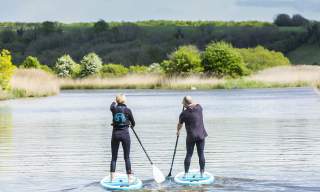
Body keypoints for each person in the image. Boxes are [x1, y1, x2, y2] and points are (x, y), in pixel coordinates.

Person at [177, 96, 208, 177]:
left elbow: (179, 124)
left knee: (189, 154)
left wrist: (178, 131)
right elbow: (196, 103)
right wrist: (188, 104)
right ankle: (202, 173)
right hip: (201, 135)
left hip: (191, 137)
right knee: (201, 154)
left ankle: (186, 173)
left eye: (183, 103)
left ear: (185, 104)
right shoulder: (199, 108)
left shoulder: (183, 114)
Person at [109, 94, 135, 183]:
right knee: (127, 157)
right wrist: (130, 124)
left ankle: (112, 178)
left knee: (114, 157)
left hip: (115, 135)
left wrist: (114, 101)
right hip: (125, 135)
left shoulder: (113, 108)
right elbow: (133, 123)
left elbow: (111, 106)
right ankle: (130, 178)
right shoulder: (128, 110)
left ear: (117, 101)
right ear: (124, 101)